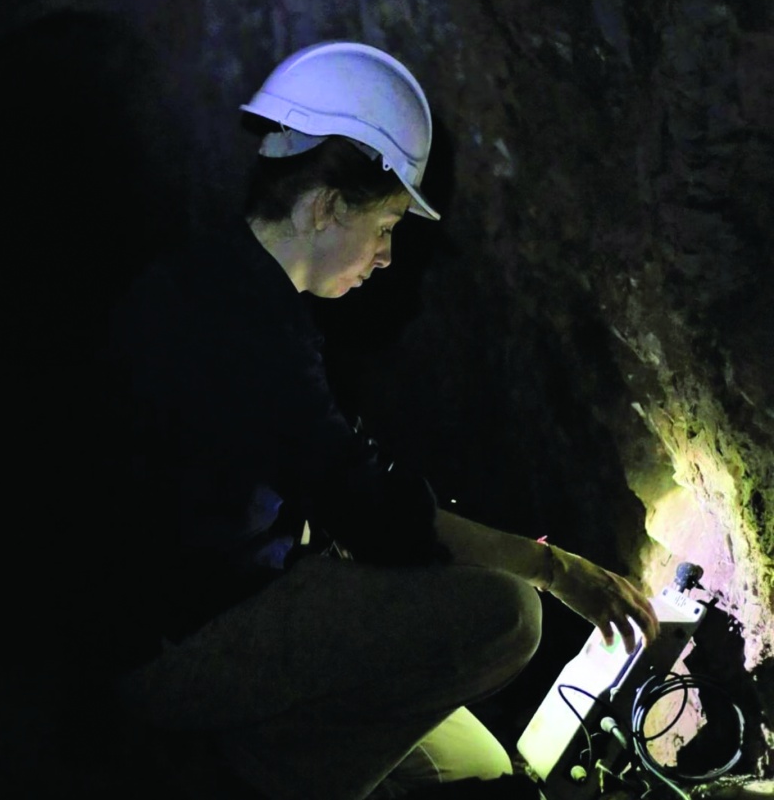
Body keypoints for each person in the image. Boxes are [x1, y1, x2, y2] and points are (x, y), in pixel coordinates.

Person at [110, 42, 659, 800]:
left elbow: (322, 479)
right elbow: (380, 514)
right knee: (508, 616)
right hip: (180, 646)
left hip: (207, 604)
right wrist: (553, 566)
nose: (388, 255)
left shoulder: (218, 286)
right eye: (388, 223)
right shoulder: (243, 330)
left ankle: (280, 744)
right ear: (326, 206)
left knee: (478, 765)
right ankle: (258, 775)